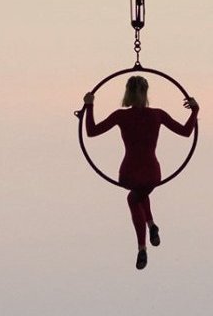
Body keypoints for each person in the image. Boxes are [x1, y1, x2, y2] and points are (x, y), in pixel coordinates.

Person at [83, 75, 199, 269]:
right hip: (152, 172)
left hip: (128, 172)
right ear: (146, 93)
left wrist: (89, 106)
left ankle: (143, 245)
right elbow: (187, 131)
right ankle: (151, 226)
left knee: (134, 197)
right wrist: (195, 110)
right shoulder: (158, 115)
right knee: (139, 194)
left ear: (127, 92)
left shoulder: (121, 116)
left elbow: (91, 131)